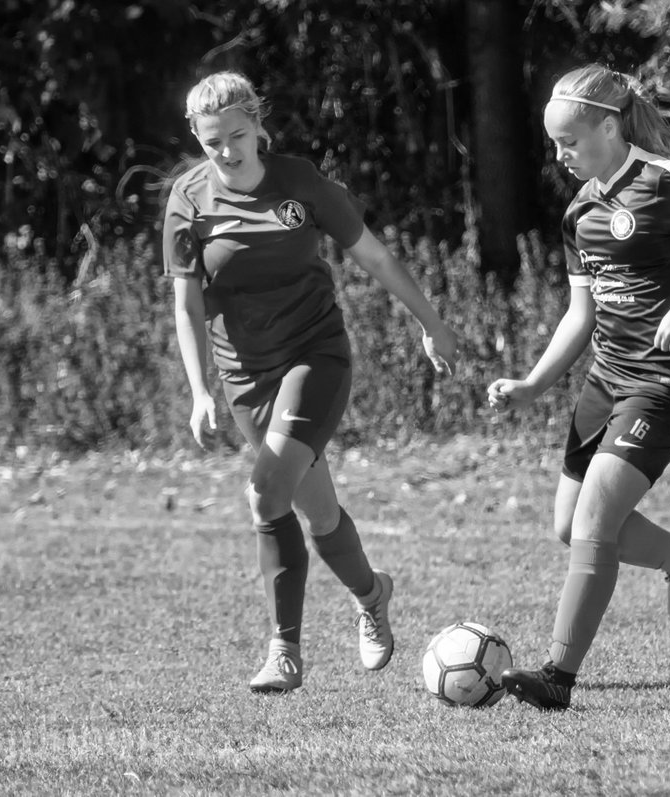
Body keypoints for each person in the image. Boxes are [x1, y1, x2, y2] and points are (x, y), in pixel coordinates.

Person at [162, 71, 458, 693]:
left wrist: (430, 323)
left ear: (259, 125)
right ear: (196, 135)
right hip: (244, 375)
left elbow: (374, 255)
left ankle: (284, 653)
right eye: (212, 141)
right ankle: (373, 595)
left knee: (266, 493)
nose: (226, 151)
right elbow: (187, 307)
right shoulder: (187, 201)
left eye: (238, 136)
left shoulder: (301, 184)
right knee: (316, 512)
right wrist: (199, 391)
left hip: (314, 356)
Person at [487, 64, 670, 711]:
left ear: (609, 127)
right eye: (554, 144)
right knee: (569, 525)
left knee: (592, 521)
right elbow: (580, 315)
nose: (560, 156)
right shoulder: (580, 211)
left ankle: (558, 674)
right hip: (606, 379)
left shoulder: (665, 182)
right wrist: (531, 384)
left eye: (570, 142)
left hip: (665, 383)